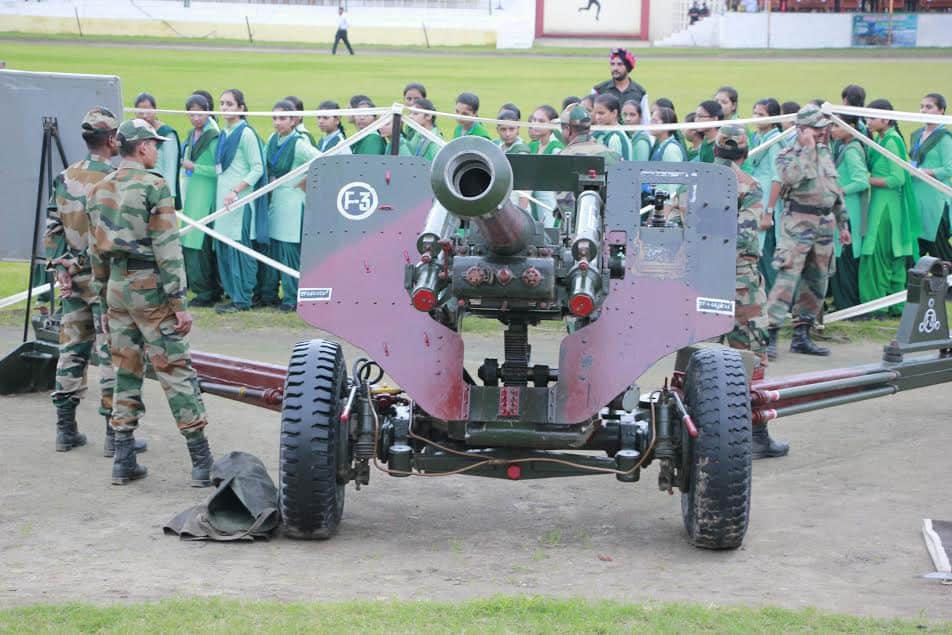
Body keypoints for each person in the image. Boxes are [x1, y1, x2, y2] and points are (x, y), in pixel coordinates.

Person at [87, 118, 213, 487]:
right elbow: (168, 249)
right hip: (151, 288)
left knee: (125, 370)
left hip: (116, 287)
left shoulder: (99, 189)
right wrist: (179, 302)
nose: (157, 149)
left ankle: (122, 458)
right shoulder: (155, 186)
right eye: (154, 144)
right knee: (174, 369)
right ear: (142, 147)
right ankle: (201, 460)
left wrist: (102, 302)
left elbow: (94, 251)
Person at [44, 106, 148, 457]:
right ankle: (113, 435)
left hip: (72, 277)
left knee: (71, 349)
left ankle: (65, 429)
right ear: (112, 139)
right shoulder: (116, 179)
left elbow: (53, 228)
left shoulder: (65, 176)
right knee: (112, 354)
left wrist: (62, 268)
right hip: (106, 279)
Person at [713, 124, 787, 459]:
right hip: (740, 284)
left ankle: (700, 431)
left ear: (714, 150)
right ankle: (756, 436)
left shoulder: (691, 185)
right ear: (744, 153)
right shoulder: (749, 186)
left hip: (698, 280)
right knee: (752, 359)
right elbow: (743, 237)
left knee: (700, 356)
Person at [765, 104, 851, 361]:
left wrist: (843, 223)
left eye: (824, 129)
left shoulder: (826, 152)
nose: (823, 133)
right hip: (797, 224)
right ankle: (770, 335)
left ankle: (802, 335)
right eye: (816, 130)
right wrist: (807, 150)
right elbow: (790, 178)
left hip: (824, 225)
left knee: (817, 281)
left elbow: (833, 187)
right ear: (802, 130)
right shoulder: (786, 154)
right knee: (787, 279)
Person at [262, 100, 321, 312]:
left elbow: (322, 161)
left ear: (294, 120)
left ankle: (291, 297)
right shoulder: (272, 139)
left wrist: (306, 181)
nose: (277, 123)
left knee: (289, 253)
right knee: (276, 250)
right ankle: (271, 293)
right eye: (275, 118)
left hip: (293, 204)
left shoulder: (299, 143)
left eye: (282, 118)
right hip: (277, 202)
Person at [862, 99, 920, 316]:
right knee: (892, 255)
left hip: (885, 206)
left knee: (878, 254)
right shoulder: (883, 138)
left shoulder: (892, 141)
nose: (868, 121)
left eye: (871, 117)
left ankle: (876, 306)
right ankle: (895, 306)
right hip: (886, 204)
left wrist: (867, 179)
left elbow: (897, 178)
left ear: (885, 119)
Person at [214, 88, 267, 314]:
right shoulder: (224, 133)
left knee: (239, 249)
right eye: (222, 104)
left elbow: (257, 168)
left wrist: (236, 190)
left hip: (239, 201)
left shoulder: (246, 134)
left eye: (229, 104)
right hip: (223, 202)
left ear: (241, 108)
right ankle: (233, 294)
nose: (224, 108)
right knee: (224, 248)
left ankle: (243, 298)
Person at [180, 94, 222, 308]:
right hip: (191, 193)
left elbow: (219, 169)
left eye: (200, 112)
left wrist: (193, 167)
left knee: (199, 244)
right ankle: (200, 288)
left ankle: (207, 290)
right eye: (191, 113)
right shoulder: (191, 134)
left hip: (205, 194)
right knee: (189, 242)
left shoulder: (213, 136)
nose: (195, 117)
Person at [829, 116, 869, 311]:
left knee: (844, 261)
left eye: (836, 126)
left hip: (848, 213)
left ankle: (847, 306)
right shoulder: (844, 146)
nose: (832, 130)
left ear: (850, 127)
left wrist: (840, 190)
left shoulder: (852, 150)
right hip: (844, 211)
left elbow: (861, 181)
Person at [556, 105, 620, 221]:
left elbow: (564, 200)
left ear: (568, 129)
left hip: (579, 229)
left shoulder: (563, 157)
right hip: (611, 225)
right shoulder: (612, 155)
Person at [746, 98, 784, 292]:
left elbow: (778, 178)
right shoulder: (758, 137)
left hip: (768, 202)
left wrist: (769, 211)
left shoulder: (775, 140)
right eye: (755, 113)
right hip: (757, 199)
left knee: (767, 253)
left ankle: (772, 299)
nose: (756, 118)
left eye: (761, 114)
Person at [910, 93, 952, 261]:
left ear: (941, 111)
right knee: (917, 246)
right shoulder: (917, 134)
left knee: (939, 249)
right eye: (922, 107)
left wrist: (924, 172)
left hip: (935, 201)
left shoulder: (944, 138)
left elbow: (949, 168)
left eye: (929, 107)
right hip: (917, 198)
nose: (923, 110)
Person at [134, 93, 181, 209]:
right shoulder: (133, 133)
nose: (144, 115)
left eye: (148, 111)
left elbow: (171, 168)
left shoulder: (167, 133)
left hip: (158, 190)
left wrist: (168, 196)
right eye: (140, 112)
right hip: (137, 189)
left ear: (155, 111)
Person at [593, 48, 648, 120]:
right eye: (612, 64)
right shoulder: (599, 90)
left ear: (628, 67)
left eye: (620, 64)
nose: (615, 68)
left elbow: (645, 120)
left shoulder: (640, 92)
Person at [592, 94, 632, 161]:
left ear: (614, 113)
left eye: (601, 113)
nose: (597, 117)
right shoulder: (603, 133)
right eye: (596, 113)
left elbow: (613, 167)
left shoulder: (615, 138)